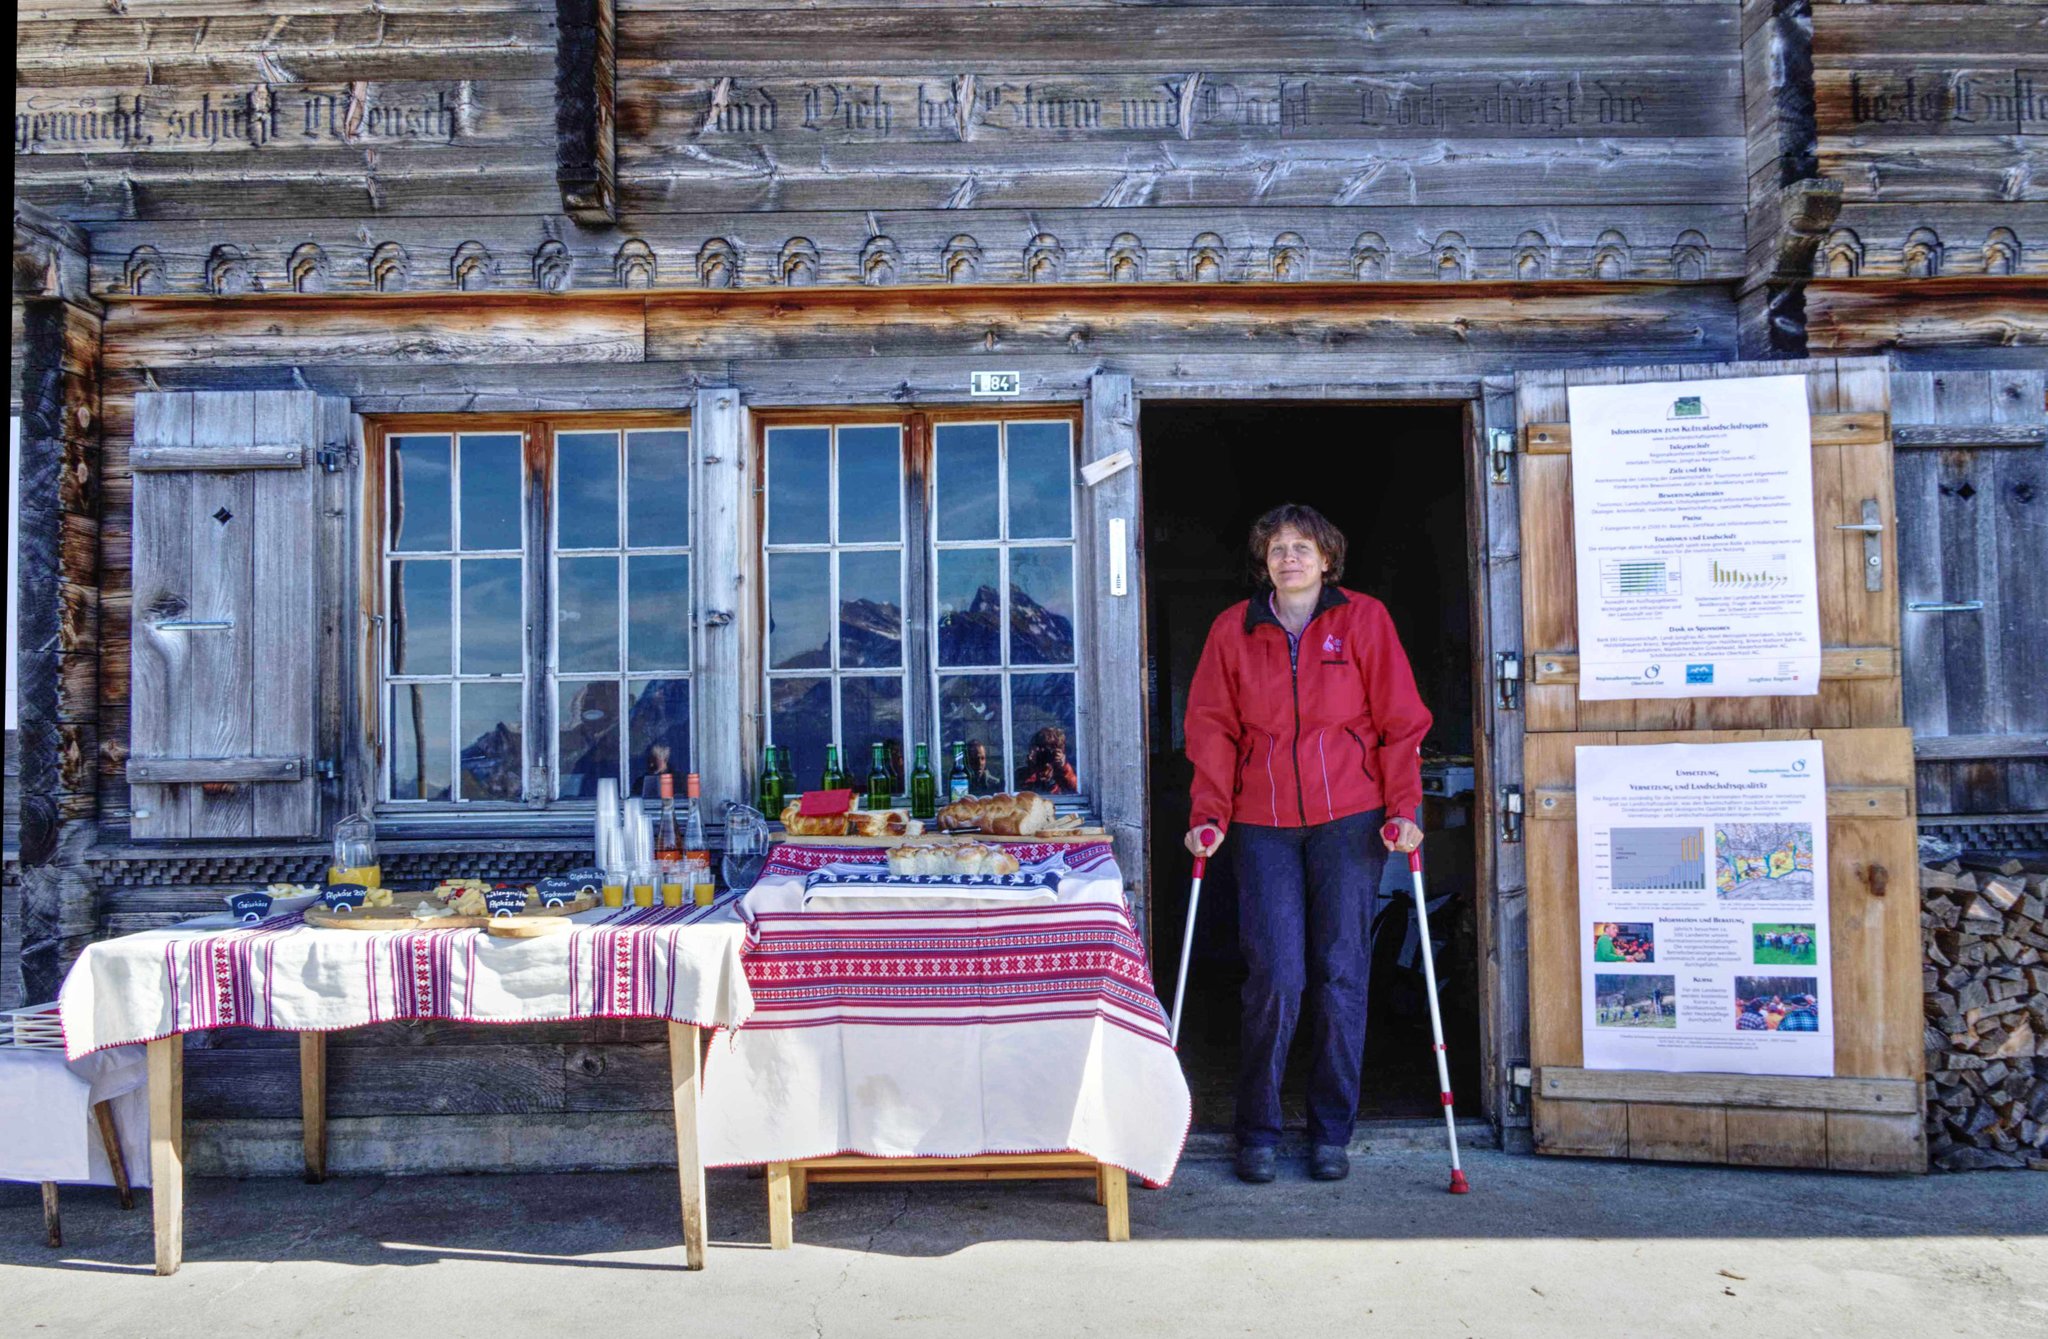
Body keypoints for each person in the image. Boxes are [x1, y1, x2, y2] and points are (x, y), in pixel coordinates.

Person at [1183, 503, 1431, 1184]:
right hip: (1261, 823)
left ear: (1328, 559)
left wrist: (1404, 805)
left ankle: (1331, 1131)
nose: (1289, 557)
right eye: (1277, 548)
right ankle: (1257, 1130)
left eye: (1303, 547)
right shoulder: (1233, 631)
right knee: (1276, 975)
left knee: (1341, 972)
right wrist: (1211, 812)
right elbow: (1211, 729)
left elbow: (1400, 721)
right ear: (1263, 562)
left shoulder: (1363, 621)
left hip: (1350, 817)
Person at [1015, 725, 1079, 794]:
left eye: (1051, 748)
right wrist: (1032, 768)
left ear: (1060, 751)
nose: (1046, 753)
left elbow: (1077, 791)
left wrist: (1064, 768)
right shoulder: (1022, 774)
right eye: (1042, 748)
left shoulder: (1065, 774)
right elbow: (1023, 796)